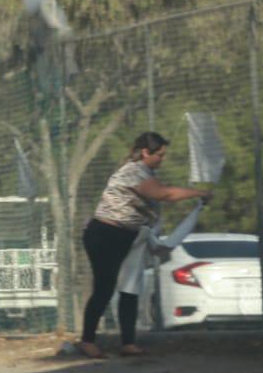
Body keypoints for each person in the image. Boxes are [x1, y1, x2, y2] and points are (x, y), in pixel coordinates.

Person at [74, 132, 209, 358]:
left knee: (130, 287)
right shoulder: (134, 171)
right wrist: (198, 192)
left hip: (127, 235)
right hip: (105, 235)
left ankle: (128, 343)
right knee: (104, 288)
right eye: (159, 155)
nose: (162, 159)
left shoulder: (145, 172)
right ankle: (87, 341)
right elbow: (164, 194)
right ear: (145, 152)